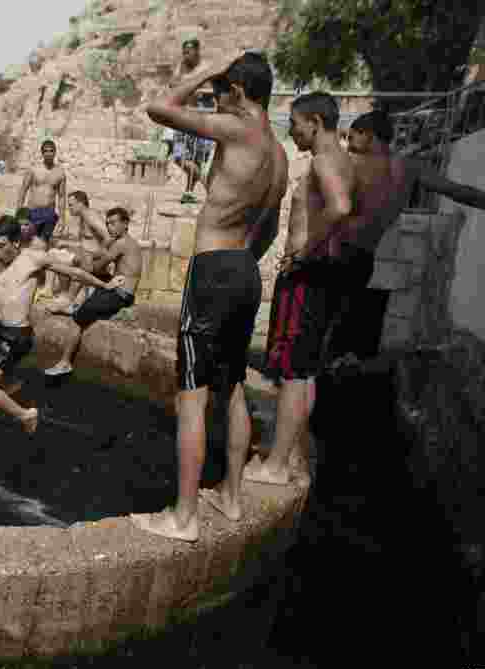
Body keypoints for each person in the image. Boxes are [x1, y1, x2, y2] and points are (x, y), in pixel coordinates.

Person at [136, 51, 288, 541]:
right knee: (234, 387)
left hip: (214, 273)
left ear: (238, 93)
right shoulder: (279, 153)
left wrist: (206, 71)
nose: (215, 100)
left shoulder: (238, 128)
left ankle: (183, 518)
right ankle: (232, 496)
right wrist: (239, 258)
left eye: (220, 92)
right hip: (246, 271)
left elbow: (159, 108)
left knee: (192, 397)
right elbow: (268, 228)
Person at [244, 92, 356, 487]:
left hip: (307, 276)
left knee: (292, 369)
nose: (290, 131)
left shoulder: (325, 161)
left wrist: (304, 250)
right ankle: (292, 456)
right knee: (305, 369)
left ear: (315, 122)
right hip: (323, 274)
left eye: (294, 123)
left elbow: (339, 207)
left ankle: (276, 466)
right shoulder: (344, 159)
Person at [326, 110, 485, 363]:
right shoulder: (410, 167)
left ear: (368, 136)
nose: (349, 144)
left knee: (331, 335)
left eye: (352, 137)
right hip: (370, 258)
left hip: (339, 253)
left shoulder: (353, 164)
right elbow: (457, 191)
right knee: (362, 343)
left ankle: (316, 388)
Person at [0, 215, 126, 434]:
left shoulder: (33, 259)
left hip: (16, 337)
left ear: (16, 242)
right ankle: (8, 382)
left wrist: (105, 284)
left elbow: (75, 272)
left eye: (1, 246)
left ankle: (26, 415)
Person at [44, 207, 143, 375]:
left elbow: (97, 266)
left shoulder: (121, 244)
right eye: (107, 224)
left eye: (113, 223)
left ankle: (65, 362)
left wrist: (83, 261)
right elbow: (100, 258)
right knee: (86, 270)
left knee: (77, 320)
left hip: (120, 295)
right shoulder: (127, 242)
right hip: (121, 290)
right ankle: (72, 302)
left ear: (125, 224)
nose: (109, 227)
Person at [45, 190, 113, 312]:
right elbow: (87, 242)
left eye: (71, 205)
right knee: (54, 254)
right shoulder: (83, 217)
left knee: (58, 259)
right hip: (84, 255)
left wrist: (95, 256)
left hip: (92, 261)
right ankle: (62, 294)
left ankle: (66, 298)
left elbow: (108, 237)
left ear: (80, 203)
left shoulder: (90, 216)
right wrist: (66, 243)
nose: (69, 208)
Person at [168, 39, 217, 204]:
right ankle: (208, 184)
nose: (185, 55)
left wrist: (196, 88)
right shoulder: (181, 67)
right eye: (184, 52)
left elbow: (212, 91)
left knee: (197, 160)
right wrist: (186, 84)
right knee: (179, 157)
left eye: (188, 51)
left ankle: (189, 192)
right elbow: (172, 84)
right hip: (183, 118)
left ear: (197, 51)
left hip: (201, 119)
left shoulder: (207, 68)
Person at [15, 139, 66, 246]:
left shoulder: (60, 172)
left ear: (55, 152)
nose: (48, 153)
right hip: (32, 212)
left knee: (43, 243)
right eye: (46, 151)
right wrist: (19, 212)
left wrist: (62, 218)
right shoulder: (33, 169)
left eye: (51, 151)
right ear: (42, 153)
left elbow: (61, 196)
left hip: (49, 213)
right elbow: (23, 190)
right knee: (26, 242)